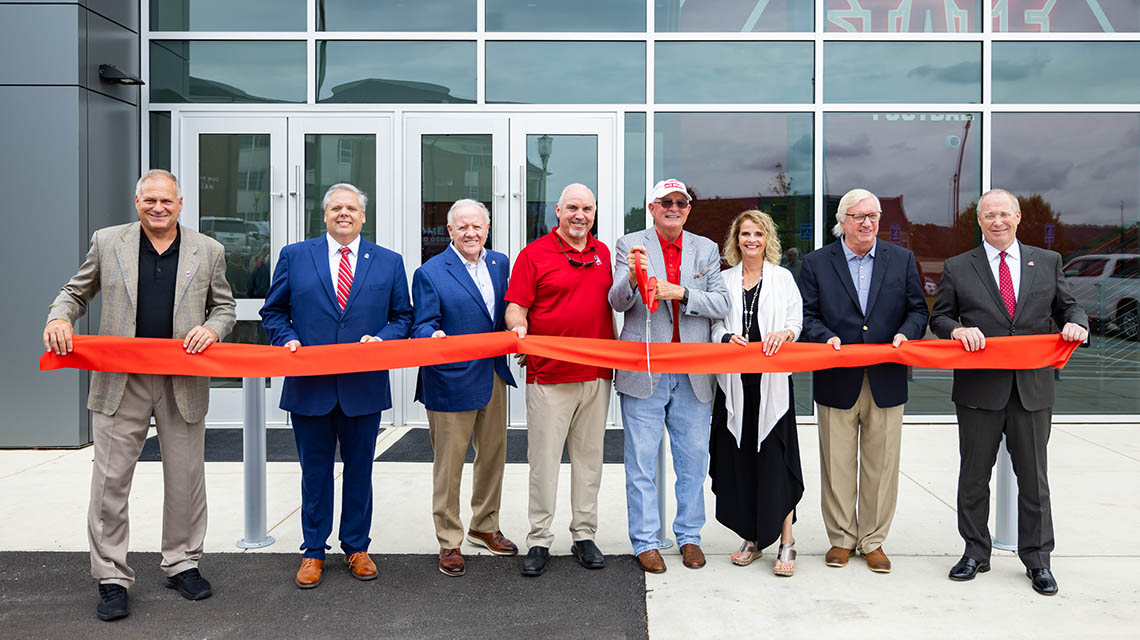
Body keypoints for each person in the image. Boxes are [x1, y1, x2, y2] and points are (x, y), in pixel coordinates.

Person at [43, 169, 236, 621]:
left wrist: (212, 328)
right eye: (149, 200)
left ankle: (182, 563)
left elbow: (224, 306)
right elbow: (75, 292)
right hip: (120, 381)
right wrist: (59, 317)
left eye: (166, 201)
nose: (158, 207)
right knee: (110, 483)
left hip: (181, 381)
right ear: (137, 202)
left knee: (187, 480)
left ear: (180, 204)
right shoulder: (108, 243)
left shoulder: (209, 250)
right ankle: (111, 577)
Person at [930, 188, 1087, 596]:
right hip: (979, 391)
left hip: (1031, 390)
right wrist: (956, 329)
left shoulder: (1047, 261)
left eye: (1003, 214)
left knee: (1034, 480)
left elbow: (1068, 307)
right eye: (988, 215)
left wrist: (1076, 323)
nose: (996, 221)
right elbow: (940, 316)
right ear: (978, 221)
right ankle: (975, 552)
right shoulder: (959, 266)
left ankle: (1037, 561)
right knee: (973, 477)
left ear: (1018, 217)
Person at [260, 183, 412, 589]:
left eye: (351, 208)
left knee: (360, 470)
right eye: (335, 208)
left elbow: (403, 317)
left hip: (363, 387)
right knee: (315, 472)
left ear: (364, 216)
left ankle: (357, 547)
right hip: (310, 386)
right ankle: (313, 551)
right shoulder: (295, 256)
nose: (343, 213)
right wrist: (286, 338)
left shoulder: (388, 262)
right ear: (324, 215)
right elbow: (273, 311)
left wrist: (383, 340)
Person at [798, 188, 928, 573]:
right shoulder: (816, 263)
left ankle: (873, 541)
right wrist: (824, 337)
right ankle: (841, 538)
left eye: (873, 215)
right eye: (859, 216)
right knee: (836, 462)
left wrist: (907, 334)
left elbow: (918, 309)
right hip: (837, 377)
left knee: (881, 464)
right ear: (842, 222)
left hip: (886, 378)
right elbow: (805, 316)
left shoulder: (901, 259)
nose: (868, 223)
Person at [609, 178, 731, 574]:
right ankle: (645, 541)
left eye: (681, 202)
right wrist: (631, 278)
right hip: (644, 368)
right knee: (641, 461)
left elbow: (722, 303)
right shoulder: (631, 245)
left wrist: (680, 293)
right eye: (666, 202)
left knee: (693, 461)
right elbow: (615, 301)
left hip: (693, 371)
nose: (674, 208)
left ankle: (690, 536)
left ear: (688, 209)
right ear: (652, 207)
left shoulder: (707, 248)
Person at [504, 183, 614, 577]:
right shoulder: (534, 254)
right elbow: (517, 308)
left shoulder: (604, 254)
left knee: (589, 461)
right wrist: (519, 332)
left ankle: (584, 533)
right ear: (558, 211)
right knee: (544, 462)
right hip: (550, 375)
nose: (579, 215)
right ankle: (539, 538)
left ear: (595, 212)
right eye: (572, 208)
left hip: (597, 376)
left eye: (586, 208)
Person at [411, 199, 518, 577]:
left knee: (493, 456)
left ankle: (484, 525)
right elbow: (421, 323)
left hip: (492, 374)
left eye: (478, 227)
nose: (471, 233)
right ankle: (449, 540)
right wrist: (433, 334)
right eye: (463, 227)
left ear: (487, 229)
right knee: (449, 465)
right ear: (450, 231)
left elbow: (510, 311)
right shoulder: (430, 271)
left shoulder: (501, 263)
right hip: (449, 378)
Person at [709, 210, 804, 577]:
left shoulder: (783, 279)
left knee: (776, 461)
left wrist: (786, 334)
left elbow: (795, 321)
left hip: (773, 382)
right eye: (745, 233)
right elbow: (715, 321)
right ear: (736, 239)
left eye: (758, 234)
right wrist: (723, 336)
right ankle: (751, 537)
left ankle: (786, 540)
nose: (751, 240)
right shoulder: (724, 279)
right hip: (735, 385)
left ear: (768, 240)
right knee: (740, 458)